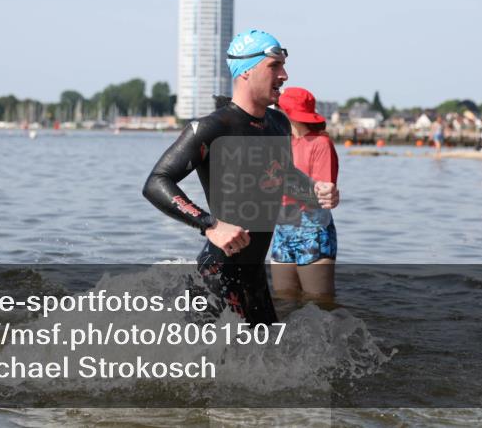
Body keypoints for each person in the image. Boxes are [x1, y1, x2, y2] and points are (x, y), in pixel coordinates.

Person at [142, 30, 339, 325]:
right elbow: (157, 181)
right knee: (210, 369)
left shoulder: (277, 124)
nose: (284, 75)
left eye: (284, 66)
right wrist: (210, 225)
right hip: (218, 274)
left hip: (255, 276)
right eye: (274, 66)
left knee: (269, 362)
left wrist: (315, 191)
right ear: (246, 71)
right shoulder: (212, 127)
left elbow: (279, 174)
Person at [270, 87, 340, 299]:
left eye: (277, 109)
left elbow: (317, 197)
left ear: (288, 113)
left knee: (320, 304)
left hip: (313, 231)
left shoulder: (321, 144)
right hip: (282, 231)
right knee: (283, 303)